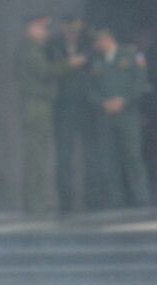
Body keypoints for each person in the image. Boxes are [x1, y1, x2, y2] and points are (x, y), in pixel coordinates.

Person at [16, 14, 85, 214]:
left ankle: (37, 201)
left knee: (39, 156)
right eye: (41, 28)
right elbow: (45, 71)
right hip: (36, 106)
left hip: (40, 105)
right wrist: (69, 64)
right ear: (30, 28)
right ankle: (34, 203)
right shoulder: (29, 50)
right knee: (36, 157)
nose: (45, 32)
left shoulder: (33, 49)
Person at [85, 26, 151, 208]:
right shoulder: (94, 61)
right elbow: (88, 89)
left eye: (99, 40)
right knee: (108, 159)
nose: (96, 45)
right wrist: (102, 103)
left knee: (132, 156)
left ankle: (141, 198)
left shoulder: (131, 56)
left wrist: (124, 101)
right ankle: (115, 200)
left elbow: (140, 82)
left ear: (108, 38)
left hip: (127, 115)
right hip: (105, 116)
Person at [51, 14, 92, 213]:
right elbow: (48, 73)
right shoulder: (53, 48)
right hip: (64, 108)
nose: (72, 35)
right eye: (68, 31)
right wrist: (69, 65)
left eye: (75, 31)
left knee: (93, 152)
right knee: (64, 155)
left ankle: (94, 198)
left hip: (87, 107)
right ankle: (66, 200)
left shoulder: (88, 48)